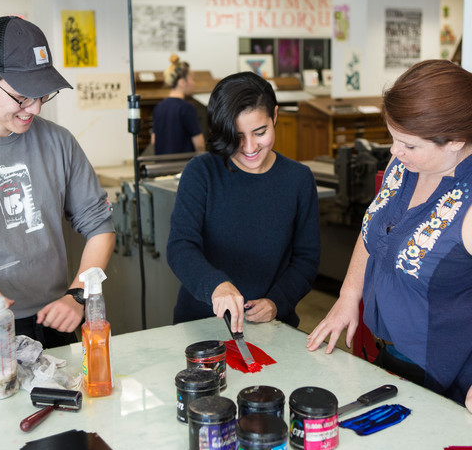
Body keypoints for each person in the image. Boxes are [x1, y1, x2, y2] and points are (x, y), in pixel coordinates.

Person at [306, 59, 472, 413]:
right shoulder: (403, 167)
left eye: (409, 145)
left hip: (444, 377)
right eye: (393, 138)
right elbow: (374, 232)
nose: (396, 152)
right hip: (390, 358)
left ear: (456, 140)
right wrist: (349, 294)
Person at [0, 16, 115, 349]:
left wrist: (78, 293)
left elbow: (100, 227)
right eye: (21, 97)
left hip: (54, 320)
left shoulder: (58, 142)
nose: (33, 108)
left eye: (43, 95)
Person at [167, 71, 320, 333]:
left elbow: (306, 258)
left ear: (275, 116)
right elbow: (181, 246)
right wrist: (215, 285)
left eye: (260, 132)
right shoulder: (201, 172)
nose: (249, 148)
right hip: (202, 323)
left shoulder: (298, 179)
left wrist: (277, 302)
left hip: (272, 326)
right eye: (236, 137)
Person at [152, 54, 205, 154]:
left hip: (161, 164)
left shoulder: (158, 107)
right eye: (192, 78)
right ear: (182, 82)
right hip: (183, 164)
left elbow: (154, 140)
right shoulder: (187, 108)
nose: (193, 83)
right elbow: (199, 143)